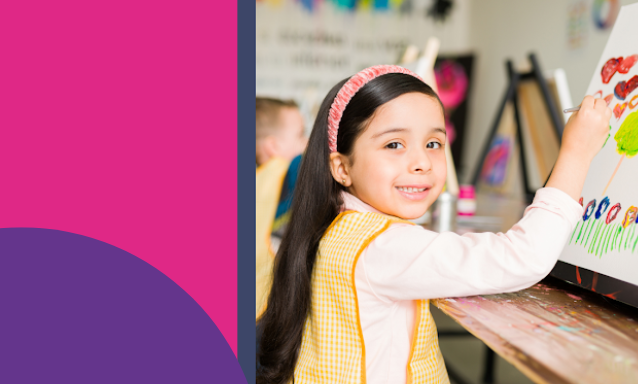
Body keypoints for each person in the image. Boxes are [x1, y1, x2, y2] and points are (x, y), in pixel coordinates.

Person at [256, 65, 610, 384]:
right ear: (342, 167)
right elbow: (524, 257)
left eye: (433, 143)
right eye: (394, 144)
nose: (422, 161)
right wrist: (576, 153)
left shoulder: (334, 224)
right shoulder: (383, 247)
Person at [255, 97, 307, 317]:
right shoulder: (282, 169)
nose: (307, 141)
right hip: (266, 308)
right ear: (273, 147)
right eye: (301, 134)